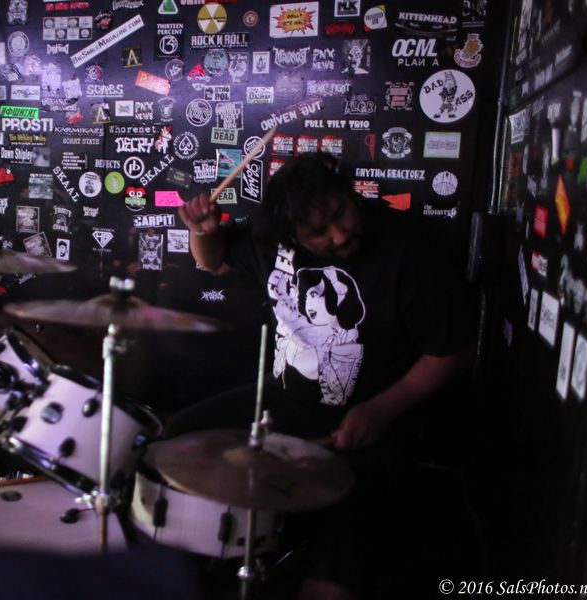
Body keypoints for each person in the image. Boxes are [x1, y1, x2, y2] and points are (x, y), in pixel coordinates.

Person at [172, 153, 475, 597]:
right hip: (282, 404)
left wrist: (383, 408)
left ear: (348, 194)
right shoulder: (272, 242)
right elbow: (214, 262)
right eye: (319, 231)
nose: (340, 233)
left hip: (372, 422)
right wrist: (203, 231)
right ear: (292, 235)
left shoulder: (407, 250)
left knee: (339, 551)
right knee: (175, 440)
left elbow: (453, 352)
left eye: (340, 212)